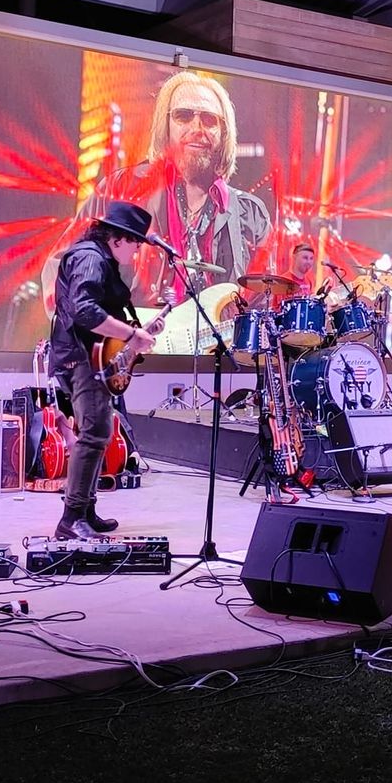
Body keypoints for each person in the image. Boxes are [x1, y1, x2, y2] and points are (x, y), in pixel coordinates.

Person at [49, 202, 167, 540]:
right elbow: (84, 311)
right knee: (94, 434)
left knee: (98, 433)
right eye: (135, 243)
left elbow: (102, 315)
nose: (137, 251)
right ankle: (71, 518)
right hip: (80, 359)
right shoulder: (90, 257)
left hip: (90, 358)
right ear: (117, 238)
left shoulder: (100, 258)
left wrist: (137, 333)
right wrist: (131, 335)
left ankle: (85, 510)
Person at [99, 71, 270, 304]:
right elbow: (69, 269)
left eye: (209, 119)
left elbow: (264, 298)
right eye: (183, 116)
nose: (197, 128)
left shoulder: (251, 214)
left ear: (224, 134)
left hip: (216, 327)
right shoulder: (121, 189)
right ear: (165, 126)